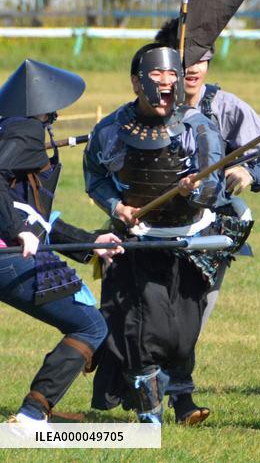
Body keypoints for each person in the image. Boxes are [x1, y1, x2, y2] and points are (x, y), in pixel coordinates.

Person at [84, 43, 228, 424]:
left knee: (182, 336)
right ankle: (150, 414)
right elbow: (96, 179)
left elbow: (216, 188)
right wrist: (116, 207)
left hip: (190, 242)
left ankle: (174, 397)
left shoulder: (199, 127)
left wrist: (196, 189)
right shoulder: (111, 129)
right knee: (146, 330)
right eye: (156, 75)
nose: (166, 82)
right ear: (136, 82)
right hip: (140, 242)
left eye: (172, 75)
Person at [154, 17, 260, 425]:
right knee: (150, 316)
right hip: (151, 231)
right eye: (185, 57)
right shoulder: (148, 108)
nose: (193, 66)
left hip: (210, 234)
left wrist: (249, 173)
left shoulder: (227, 107)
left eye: (202, 56)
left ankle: (180, 398)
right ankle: (139, 393)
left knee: (190, 317)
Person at [0, 60, 123, 424]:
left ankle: (39, 408)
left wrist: (91, 243)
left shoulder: (9, 127)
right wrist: (12, 230)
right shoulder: (24, 129)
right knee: (90, 325)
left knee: (88, 322)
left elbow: (39, 220)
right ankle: (31, 416)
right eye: (50, 115)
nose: (52, 120)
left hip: (11, 251)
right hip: (9, 256)